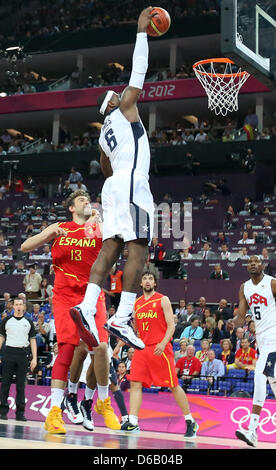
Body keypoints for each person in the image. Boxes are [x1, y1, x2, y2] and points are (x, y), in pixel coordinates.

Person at [69, 8, 156, 351]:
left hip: (113, 184)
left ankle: (88, 306)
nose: (123, 95)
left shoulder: (103, 136)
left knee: (111, 246)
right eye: (118, 96)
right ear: (113, 103)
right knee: (140, 249)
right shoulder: (125, 109)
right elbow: (140, 71)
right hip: (133, 181)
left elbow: (105, 168)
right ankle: (122, 317)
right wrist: (141, 33)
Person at [21, 190, 120, 434]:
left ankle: (103, 403)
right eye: (81, 200)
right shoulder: (60, 227)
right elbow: (25, 246)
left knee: (101, 347)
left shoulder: (99, 226)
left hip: (91, 293)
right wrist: (49, 235)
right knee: (67, 349)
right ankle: (54, 413)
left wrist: (101, 226)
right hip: (65, 294)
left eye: (88, 199)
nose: (87, 202)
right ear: (72, 208)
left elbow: (113, 264)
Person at [121, 271, 198, 437]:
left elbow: (171, 325)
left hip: (160, 348)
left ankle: (190, 420)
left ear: (155, 283)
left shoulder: (163, 299)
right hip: (142, 348)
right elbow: (134, 330)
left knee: (173, 385)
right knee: (135, 383)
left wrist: (163, 343)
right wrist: (124, 344)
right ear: (141, 284)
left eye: (150, 279)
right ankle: (133, 421)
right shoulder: (137, 303)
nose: (147, 281)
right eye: (145, 278)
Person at [234, 255, 276, 447]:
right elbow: (241, 317)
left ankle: (252, 430)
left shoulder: (272, 283)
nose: (253, 264)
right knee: (273, 385)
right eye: (249, 262)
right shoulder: (245, 288)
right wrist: (233, 323)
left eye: (256, 261)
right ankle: (252, 431)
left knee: (259, 376)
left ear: (262, 265)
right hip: (262, 342)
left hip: (274, 339)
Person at [0, 298, 37, 420]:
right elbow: (1, 338)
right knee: (5, 384)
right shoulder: (6, 321)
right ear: (13, 306)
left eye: (21, 304)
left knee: (21, 386)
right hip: (9, 353)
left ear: (24, 306)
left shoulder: (29, 322)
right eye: (16, 305)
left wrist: (35, 358)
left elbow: (32, 340)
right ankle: (3, 411)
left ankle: (20, 413)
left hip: (23, 354)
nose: (19, 306)